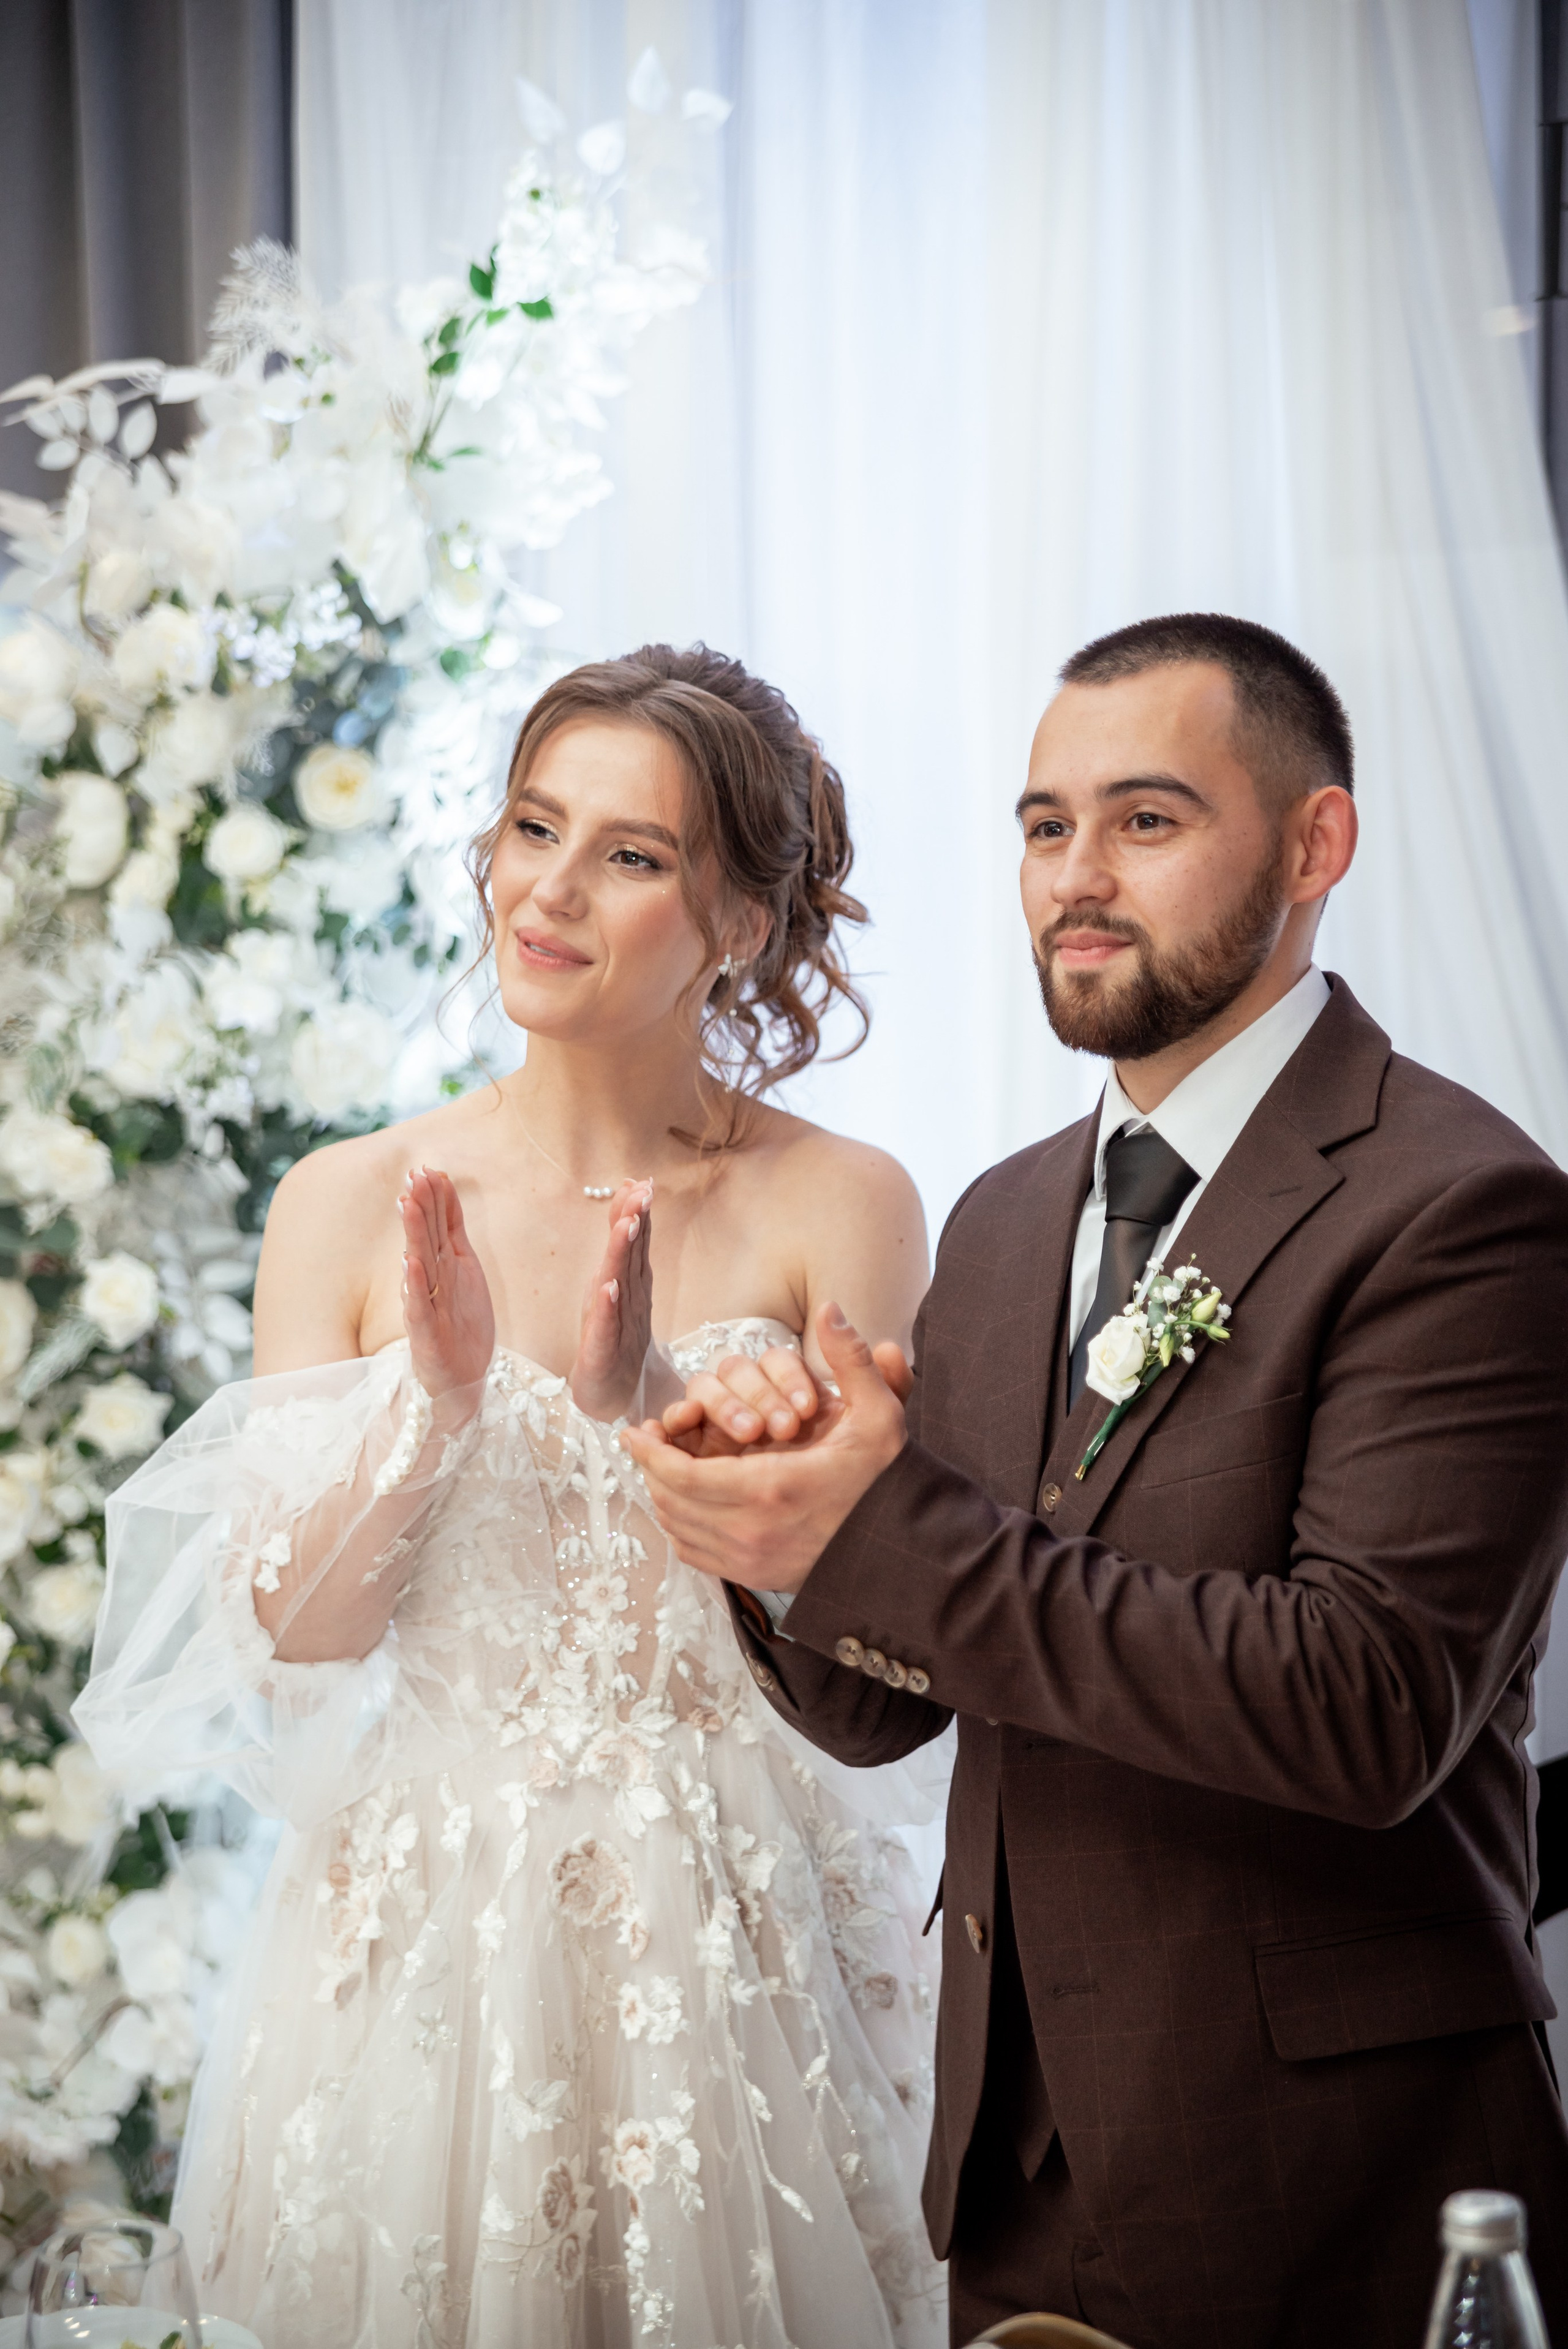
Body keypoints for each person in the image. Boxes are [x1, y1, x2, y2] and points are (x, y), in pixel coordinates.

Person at [625, 614, 1568, 2349]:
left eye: (1145, 820)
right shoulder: (999, 1219)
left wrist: (885, 1527)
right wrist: (774, 1534)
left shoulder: (1462, 1205)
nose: (1075, 874)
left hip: (1340, 2174)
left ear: (1315, 845)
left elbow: (1363, 1701)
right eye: (1044, 824)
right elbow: (891, 1704)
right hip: (1019, 2170)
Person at [77, 645, 948, 2348]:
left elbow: (866, 1620)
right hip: (416, 1939)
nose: (547, 889)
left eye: (631, 855)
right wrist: (442, 1402)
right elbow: (298, 1630)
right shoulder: (348, 1200)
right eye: (533, 827)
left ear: (740, 924)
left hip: (739, 1915)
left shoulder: (837, 1202)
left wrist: (658, 1400)